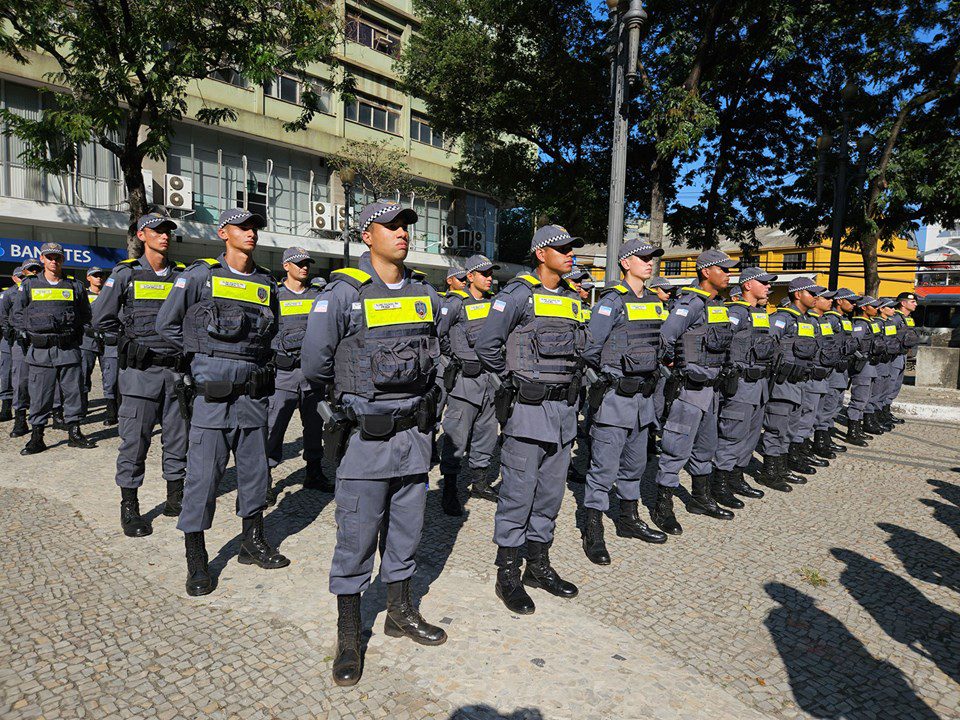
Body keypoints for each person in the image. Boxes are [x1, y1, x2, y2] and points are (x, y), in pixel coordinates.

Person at [301, 201, 447, 687]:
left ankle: (400, 612)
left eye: (407, 225)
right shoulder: (343, 293)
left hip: (414, 436)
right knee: (357, 537)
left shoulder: (425, 291)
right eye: (392, 226)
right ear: (367, 236)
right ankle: (348, 634)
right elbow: (314, 366)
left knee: (407, 531)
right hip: (365, 439)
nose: (403, 233)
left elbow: (438, 351)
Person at [157, 208, 289, 597]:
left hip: (251, 399)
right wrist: (200, 356)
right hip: (211, 400)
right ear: (223, 232)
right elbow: (168, 324)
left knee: (254, 475)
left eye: (255, 228)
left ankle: (252, 541)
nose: (251, 233)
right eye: (243, 227)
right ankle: (196, 560)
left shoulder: (266, 283)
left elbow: (273, 333)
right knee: (202, 479)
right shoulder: (200, 276)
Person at [475, 224, 583, 615]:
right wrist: (512, 383)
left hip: (564, 414)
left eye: (572, 249)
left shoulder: (572, 299)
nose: (571, 254)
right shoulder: (518, 294)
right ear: (541, 254)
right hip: (528, 411)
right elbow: (488, 344)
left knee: (551, 495)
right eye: (564, 249)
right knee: (518, 494)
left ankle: (538, 565)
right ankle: (507, 573)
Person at [92, 213, 188, 538]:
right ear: (142, 235)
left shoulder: (183, 276)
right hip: (140, 372)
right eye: (158, 231)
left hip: (175, 372)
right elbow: (101, 318)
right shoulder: (126, 274)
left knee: (178, 438)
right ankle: (130, 506)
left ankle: (176, 497)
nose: (165, 236)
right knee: (135, 441)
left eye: (168, 232)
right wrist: (126, 342)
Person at [580, 239, 668, 565]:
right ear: (626, 262)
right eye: (643, 258)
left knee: (634, 466)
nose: (650, 263)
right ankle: (593, 529)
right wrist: (604, 379)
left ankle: (628, 520)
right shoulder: (611, 302)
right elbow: (589, 349)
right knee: (603, 469)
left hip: (643, 401)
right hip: (616, 400)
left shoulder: (654, 302)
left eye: (652, 258)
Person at [650, 249, 737, 536]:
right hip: (689, 390)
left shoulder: (717, 305)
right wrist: (672, 365)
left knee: (706, 447)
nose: (728, 274)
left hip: (711, 390)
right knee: (675, 449)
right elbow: (666, 335)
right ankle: (662, 506)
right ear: (706, 272)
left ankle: (700, 498)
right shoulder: (690, 303)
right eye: (723, 269)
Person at [12, 242, 97, 454]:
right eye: (49, 257)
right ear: (42, 259)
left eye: (57, 257)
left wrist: (81, 333)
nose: (53, 261)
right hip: (41, 351)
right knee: (40, 394)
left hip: (69, 349)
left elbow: (86, 315)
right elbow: (17, 314)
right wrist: (25, 332)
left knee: (73, 392)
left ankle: (74, 432)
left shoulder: (74, 286)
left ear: (63, 260)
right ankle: (37, 436)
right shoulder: (30, 285)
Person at [436, 253, 501, 516]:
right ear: (470, 277)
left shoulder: (495, 304)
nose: (489, 278)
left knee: (486, 434)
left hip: (490, 382)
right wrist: (454, 359)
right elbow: (437, 334)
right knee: (456, 435)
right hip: (465, 382)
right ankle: (449, 488)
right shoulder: (455, 303)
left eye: (491, 274)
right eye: (484, 274)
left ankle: (480, 482)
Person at [265, 247, 330, 501]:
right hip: (283, 375)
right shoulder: (274, 295)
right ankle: (266, 477)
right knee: (274, 427)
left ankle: (314, 472)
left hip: (312, 375)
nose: (305, 267)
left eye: (307, 263)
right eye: (299, 263)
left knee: (314, 428)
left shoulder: (318, 296)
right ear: (286, 267)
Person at [712, 267, 779, 506]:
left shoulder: (760, 314)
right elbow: (720, 343)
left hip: (759, 385)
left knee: (750, 436)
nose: (768, 287)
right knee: (732, 434)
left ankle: (736, 476)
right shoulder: (736, 313)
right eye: (764, 283)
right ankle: (719, 482)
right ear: (748, 285)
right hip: (739, 385)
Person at [757, 278, 825, 490]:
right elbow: (766, 346)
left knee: (790, 427)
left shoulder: (808, 321)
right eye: (811, 293)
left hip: (801, 381)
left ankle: (782, 466)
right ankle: (769, 471)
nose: (816, 298)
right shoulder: (781, 319)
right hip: (782, 382)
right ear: (798, 294)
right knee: (776, 427)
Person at [7, 259, 41, 437]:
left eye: (37, 269)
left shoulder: (46, 289)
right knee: (20, 380)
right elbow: (9, 317)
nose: (34, 272)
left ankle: (54, 414)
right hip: (22, 341)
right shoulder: (15, 292)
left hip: (42, 341)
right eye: (30, 270)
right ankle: (20, 418)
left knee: (47, 382)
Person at [822, 288, 860, 448]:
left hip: (843, 369)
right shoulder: (829, 319)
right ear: (840, 301)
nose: (853, 304)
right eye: (850, 301)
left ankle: (826, 437)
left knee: (837, 403)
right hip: (833, 369)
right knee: (829, 405)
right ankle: (821, 441)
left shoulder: (844, 320)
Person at [82, 267, 120, 422]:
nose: (99, 278)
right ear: (88, 278)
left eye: (101, 275)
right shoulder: (82, 294)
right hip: (87, 340)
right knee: (83, 374)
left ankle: (111, 411)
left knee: (111, 375)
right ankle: (81, 408)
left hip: (108, 339)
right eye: (95, 275)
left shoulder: (110, 294)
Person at [846, 296, 883, 442]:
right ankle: (852, 432)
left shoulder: (870, 323)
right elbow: (853, 346)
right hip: (863, 367)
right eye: (873, 306)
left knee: (865, 398)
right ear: (863, 308)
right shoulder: (860, 325)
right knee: (859, 399)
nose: (876, 309)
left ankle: (858, 428)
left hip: (871, 366)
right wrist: (860, 359)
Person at [884, 291, 921, 425]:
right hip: (894, 356)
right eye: (912, 302)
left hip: (903, 355)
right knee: (890, 383)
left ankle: (886, 410)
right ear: (903, 303)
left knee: (896, 384)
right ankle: (882, 412)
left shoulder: (908, 318)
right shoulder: (894, 318)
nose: (916, 304)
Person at [0, 266, 25, 422]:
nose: (23, 279)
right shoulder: (7, 294)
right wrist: (7, 330)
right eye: (20, 277)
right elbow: (2, 316)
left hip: (27, 339)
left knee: (23, 375)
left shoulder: (33, 291)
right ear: (14, 278)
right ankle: (6, 407)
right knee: (7, 373)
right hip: (10, 339)